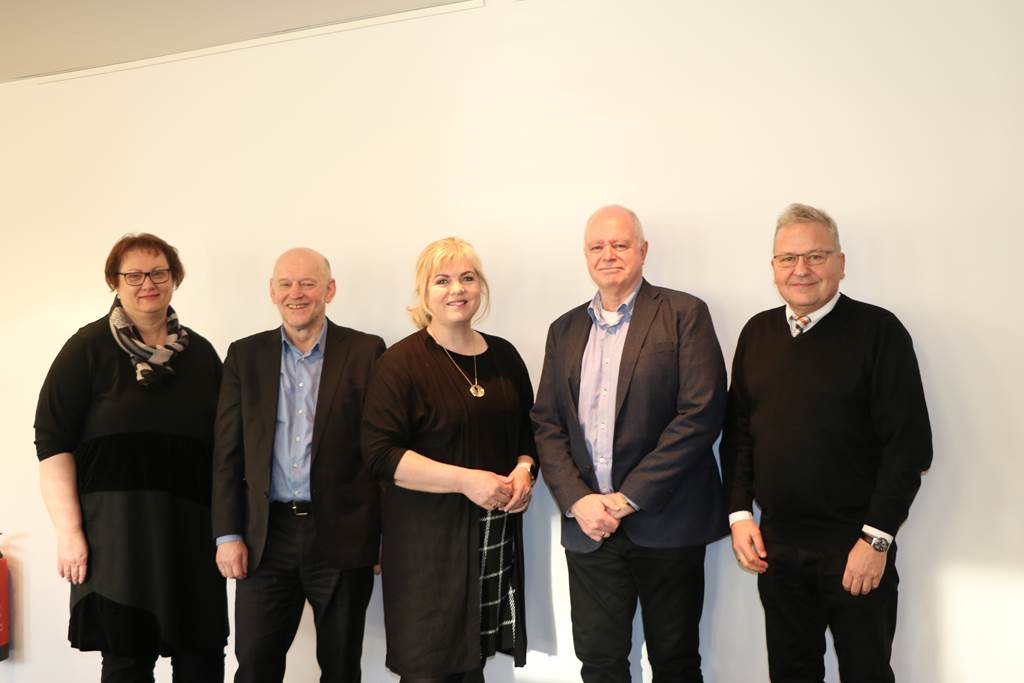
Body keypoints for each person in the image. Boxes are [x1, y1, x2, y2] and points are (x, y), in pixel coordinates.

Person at [721, 203, 933, 682]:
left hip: (855, 542)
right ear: (773, 267)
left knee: (865, 672)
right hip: (777, 544)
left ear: (840, 263)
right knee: (790, 673)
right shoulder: (757, 333)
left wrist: (876, 539)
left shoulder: (879, 332)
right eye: (788, 258)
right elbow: (739, 433)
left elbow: (910, 446)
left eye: (815, 256)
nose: (802, 269)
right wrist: (738, 514)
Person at [531, 205, 728, 683]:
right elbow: (547, 424)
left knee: (675, 664)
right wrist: (579, 501)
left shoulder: (684, 314)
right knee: (599, 665)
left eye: (620, 245)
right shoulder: (564, 329)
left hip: (667, 523)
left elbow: (700, 414)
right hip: (590, 530)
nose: (609, 255)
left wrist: (626, 499)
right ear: (585, 256)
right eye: (597, 247)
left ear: (643, 251)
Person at [34, 233, 227, 682]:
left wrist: (230, 532)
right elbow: (53, 442)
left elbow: (226, 448)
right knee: (127, 660)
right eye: (134, 275)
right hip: (116, 537)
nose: (148, 284)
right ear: (115, 282)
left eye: (158, 273)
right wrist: (69, 533)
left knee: (201, 657)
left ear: (174, 278)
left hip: (191, 533)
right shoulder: (87, 349)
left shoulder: (201, 355)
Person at [361, 237, 537, 683]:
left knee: (471, 667)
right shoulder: (399, 363)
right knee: (429, 668)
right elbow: (382, 455)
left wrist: (524, 470)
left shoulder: (504, 356)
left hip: (490, 537)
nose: (457, 289)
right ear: (424, 293)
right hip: (426, 549)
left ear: (481, 287)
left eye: (467, 278)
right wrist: (465, 481)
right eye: (442, 280)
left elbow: (528, 433)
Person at [211, 247, 385, 683]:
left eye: (308, 283)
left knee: (341, 667)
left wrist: (383, 534)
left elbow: (381, 450)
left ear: (329, 290)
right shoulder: (244, 356)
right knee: (255, 665)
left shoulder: (366, 352)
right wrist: (228, 534)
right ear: (272, 291)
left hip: (343, 535)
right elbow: (227, 454)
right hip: (265, 537)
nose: (296, 293)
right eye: (286, 284)